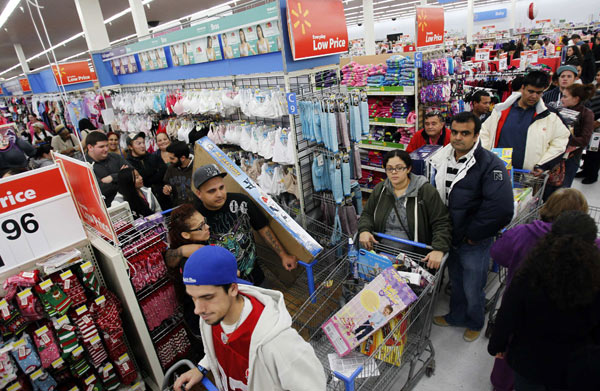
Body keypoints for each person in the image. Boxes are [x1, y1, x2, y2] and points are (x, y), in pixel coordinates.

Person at [173, 246, 326, 391]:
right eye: (193, 298)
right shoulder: (212, 317)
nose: (198, 310)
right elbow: (221, 350)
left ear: (233, 288)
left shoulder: (278, 342)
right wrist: (203, 367)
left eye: (207, 297)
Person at [488, 211, 600, 391]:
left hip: (529, 360)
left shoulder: (530, 271)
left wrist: (498, 345)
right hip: (574, 366)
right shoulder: (595, 281)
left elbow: (509, 312)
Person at [431, 112, 514, 342]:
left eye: (465, 133)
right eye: (455, 132)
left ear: (476, 135)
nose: (458, 138)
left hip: (472, 239)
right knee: (455, 280)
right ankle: (456, 315)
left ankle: (475, 321)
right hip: (450, 234)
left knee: (472, 284)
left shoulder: (489, 164)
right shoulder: (442, 157)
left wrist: (473, 235)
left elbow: (502, 208)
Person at [167, 164, 298, 286]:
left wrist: (283, 255)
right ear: (199, 194)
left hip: (255, 276)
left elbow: (262, 228)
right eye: (211, 191)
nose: (219, 194)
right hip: (223, 287)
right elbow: (173, 257)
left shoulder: (241, 201)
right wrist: (183, 251)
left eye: (221, 187)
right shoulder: (195, 217)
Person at [357, 150, 451, 269]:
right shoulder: (380, 189)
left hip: (414, 259)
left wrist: (439, 248)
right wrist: (364, 230)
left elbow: (441, 222)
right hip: (380, 254)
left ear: (408, 168)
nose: (394, 172)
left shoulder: (425, 191)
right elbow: (367, 214)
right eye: (389, 168)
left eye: (399, 168)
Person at [481, 71, 570, 172]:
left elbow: (561, 141)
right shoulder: (501, 111)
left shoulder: (549, 116)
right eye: (531, 91)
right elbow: (484, 134)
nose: (534, 96)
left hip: (528, 176)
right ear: (522, 88)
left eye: (539, 93)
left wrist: (542, 165)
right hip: (498, 170)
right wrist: (487, 159)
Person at [166, 204, 210, 344]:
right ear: (185, 234)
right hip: (205, 324)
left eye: (205, 222)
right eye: (201, 226)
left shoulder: (197, 243)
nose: (207, 227)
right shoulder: (190, 263)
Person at [558, 83, 596, 188]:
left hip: (571, 158)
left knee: (563, 190)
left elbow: (585, 139)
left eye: (565, 97)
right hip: (554, 156)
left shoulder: (587, 114)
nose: (562, 99)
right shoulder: (557, 110)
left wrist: (564, 139)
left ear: (576, 99)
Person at [85, 131, 131, 205]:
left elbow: (132, 173)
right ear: (90, 147)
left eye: (107, 145)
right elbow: (100, 190)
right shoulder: (86, 166)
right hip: (109, 209)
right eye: (101, 147)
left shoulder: (115, 157)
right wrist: (123, 178)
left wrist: (113, 177)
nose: (106, 149)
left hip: (130, 201)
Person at [125, 132, 165, 207]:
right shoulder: (128, 164)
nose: (143, 146)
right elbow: (140, 180)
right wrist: (153, 174)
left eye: (143, 142)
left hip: (163, 195)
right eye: (138, 143)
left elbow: (163, 171)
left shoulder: (153, 157)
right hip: (146, 201)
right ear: (130, 147)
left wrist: (147, 177)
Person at [576, 69, 600, 184]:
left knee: (595, 151)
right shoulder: (594, 87)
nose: (598, 77)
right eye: (598, 74)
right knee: (588, 150)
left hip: (598, 126)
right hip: (590, 122)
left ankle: (593, 174)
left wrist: (598, 122)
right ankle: (585, 170)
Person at [163, 141, 195, 207]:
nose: (169, 161)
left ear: (182, 158)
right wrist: (167, 188)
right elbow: (167, 183)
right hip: (179, 208)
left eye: (172, 158)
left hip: (196, 209)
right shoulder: (171, 168)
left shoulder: (197, 167)